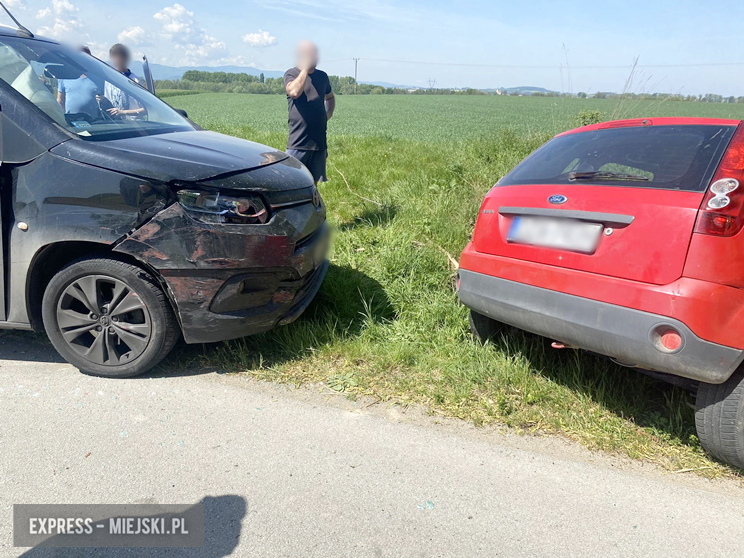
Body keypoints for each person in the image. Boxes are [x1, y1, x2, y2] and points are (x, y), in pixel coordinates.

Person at [284, 40, 335, 184]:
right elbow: (294, 91)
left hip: (319, 143)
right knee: (291, 181)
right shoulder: (291, 73)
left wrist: (328, 113)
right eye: (311, 53)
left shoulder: (322, 76)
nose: (316, 56)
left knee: (313, 186)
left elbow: (330, 97)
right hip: (298, 142)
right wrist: (305, 70)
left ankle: (312, 207)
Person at [56, 46, 103, 116]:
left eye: (86, 57)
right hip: (71, 122)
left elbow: (104, 98)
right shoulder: (65, 76)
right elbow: (60, 101)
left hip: (94, 122)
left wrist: (102, 99)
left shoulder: (98, 78)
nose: (83, 60)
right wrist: (63, 118)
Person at [103, 43, 144, 119]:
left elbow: (145, 109)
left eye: (120, 57)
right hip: (118, 125)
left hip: (136, 124)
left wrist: (123, 112)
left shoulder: (135, 80)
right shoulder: (109, 81)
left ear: (126, 58)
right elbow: (108, 103)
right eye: (114, 57)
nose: (117, 60)